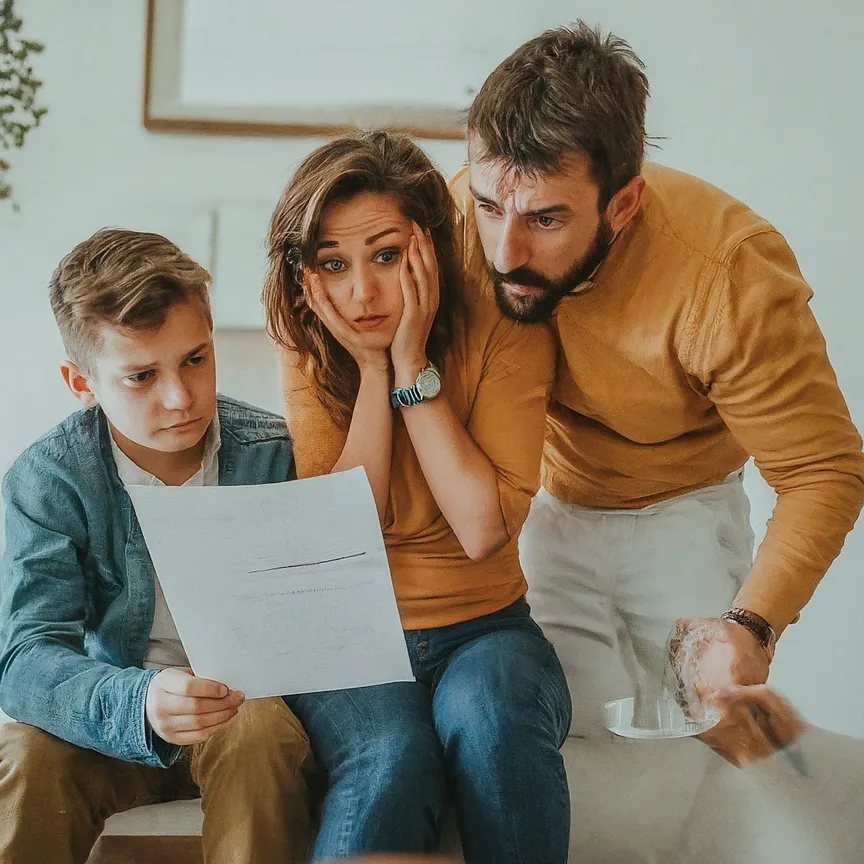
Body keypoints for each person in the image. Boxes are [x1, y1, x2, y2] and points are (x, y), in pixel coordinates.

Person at [450, 22, 864, 764]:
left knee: (706, 754)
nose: (505, 251)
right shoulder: (465, 217)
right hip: (551, 509)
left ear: (624, 203)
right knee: (565, 749)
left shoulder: (730, 275)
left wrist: (750, 626)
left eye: (547, 219)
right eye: (490, 207)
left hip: (685, 518)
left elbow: (821, 471)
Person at [263, 131, 571, 863]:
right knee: (392, 756)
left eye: (386, 256)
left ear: (431, 247)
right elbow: (343, 541)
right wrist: (372, 374)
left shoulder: (508, 328)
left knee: (490, 716)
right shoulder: (308, 340)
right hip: (348, 641)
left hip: (486, 631)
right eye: (333, 265)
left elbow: (479, 530)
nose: (361, 293)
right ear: (308, 276)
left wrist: (409, 367)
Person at [0, 229, 316, 864]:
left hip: (245, 715)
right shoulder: (48, 480)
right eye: (141, 376)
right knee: (25, 755)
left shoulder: (277, 454)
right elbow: (26, 660)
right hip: (115, 713)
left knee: (256, 726)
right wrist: (140, 702)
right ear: (80, 381)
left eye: (196, 359)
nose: (179, 398)